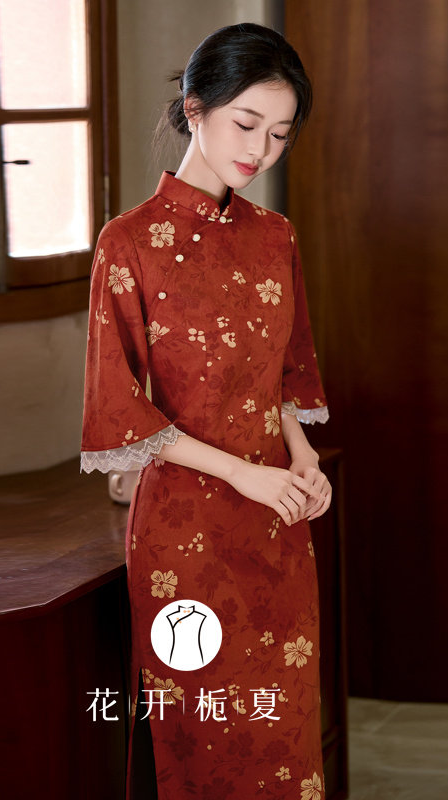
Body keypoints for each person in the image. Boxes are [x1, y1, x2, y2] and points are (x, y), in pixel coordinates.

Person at [81, 22, 331, 800]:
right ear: (196, 110)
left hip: (277, 522)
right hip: (185, 532)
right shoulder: (129, 243)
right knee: (203, 735)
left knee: (284, 731)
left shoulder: (275, 237)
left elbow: (284, 372)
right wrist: (245, 475)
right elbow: (119, 408)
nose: (260, 150)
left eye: (280, 134)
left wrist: (302, 460)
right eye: (246, 123)